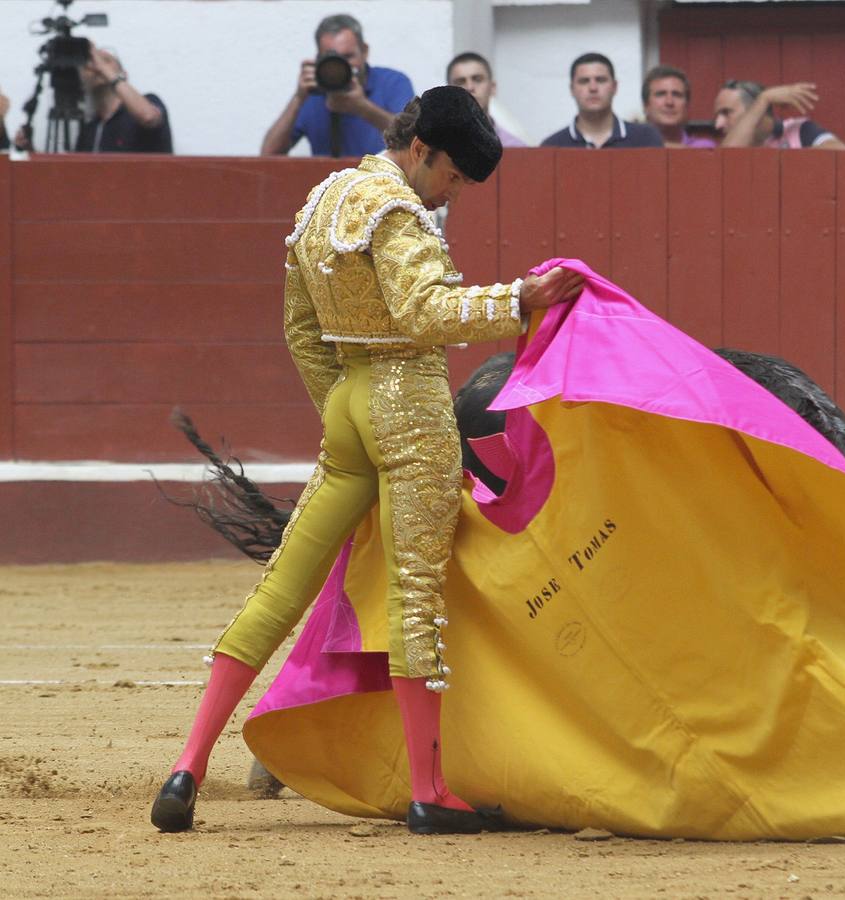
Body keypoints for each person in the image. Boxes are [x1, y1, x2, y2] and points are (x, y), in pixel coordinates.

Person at [149, 86, 583, 836]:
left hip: (349, 407)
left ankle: (187, 765)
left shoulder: (324, 199)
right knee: (417, 595)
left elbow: (299, 328)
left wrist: (344, 410)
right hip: (408, 409)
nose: (449, 196)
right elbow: (424, 312)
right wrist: (521, 299)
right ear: (422, 150)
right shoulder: (398, 211)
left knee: (280, 587)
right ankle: (428, 791)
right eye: (451, 178)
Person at [261, 14, 414, 158]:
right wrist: (298, 98)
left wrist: (363, 108)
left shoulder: (392, 83)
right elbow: (268, 156)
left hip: (385, 183)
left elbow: (413, 141)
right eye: (332, 59)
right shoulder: (313, 94)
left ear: (364, 51)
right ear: (319, 59)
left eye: (348, 57)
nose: (341, 66)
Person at [16, 45, 173, 153]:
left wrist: (101, 64)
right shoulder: (90, 128)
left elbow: (148, 117)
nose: (95, 66)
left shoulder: (148, 102)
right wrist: (30, 151)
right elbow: (75, 180)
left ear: (123, 74)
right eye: (89, 64)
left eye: (106, 60)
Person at [541, 53, 664, 149]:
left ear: (614, 87)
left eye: (600, 80)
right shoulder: (552, 146)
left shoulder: (645, 139)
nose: (593, 88)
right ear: (572, 89)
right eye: (584, 81)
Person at [714, 79, 845, 149]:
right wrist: (764, 98)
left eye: (726, 113)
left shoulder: (799, 130)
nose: (717, 124)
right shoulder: (732, 142)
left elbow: (839, 151)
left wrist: (783, 160)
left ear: (755, 111)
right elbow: (727, 159)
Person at [446, 51, 524, 147]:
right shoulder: (433, 149)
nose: (469, 87)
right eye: (460, 82)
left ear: (492, 87)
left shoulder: (514, 148)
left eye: (478, 79)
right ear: (448, 91)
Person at [641, 64, 714, 148]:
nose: (669, 102)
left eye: (677, 95)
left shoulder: (704, 148)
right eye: (661, 94)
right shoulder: (629, 147)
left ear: (686, 105)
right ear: (645, 105)